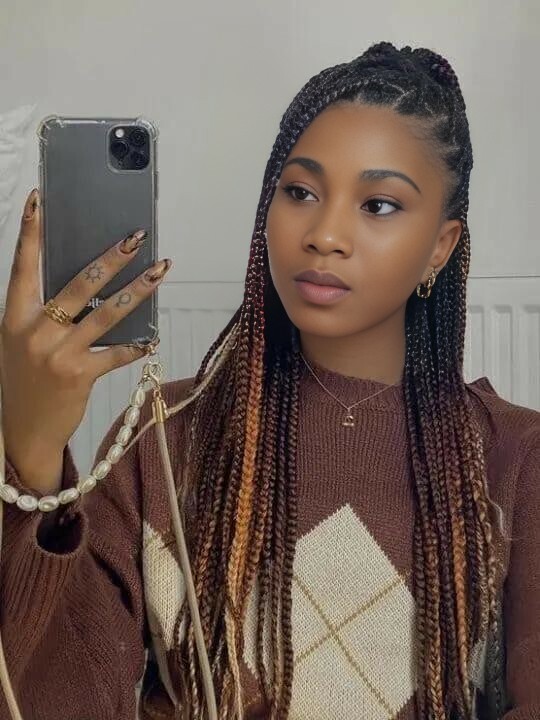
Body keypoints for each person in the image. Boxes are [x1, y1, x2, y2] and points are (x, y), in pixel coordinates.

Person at [0, 40, 538, 720]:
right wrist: (32, 453)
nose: (324, 234)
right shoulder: (161, 439)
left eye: (378, 205)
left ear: (440, 245)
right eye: (300, 192)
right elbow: (53, 701)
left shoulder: (517, 458)